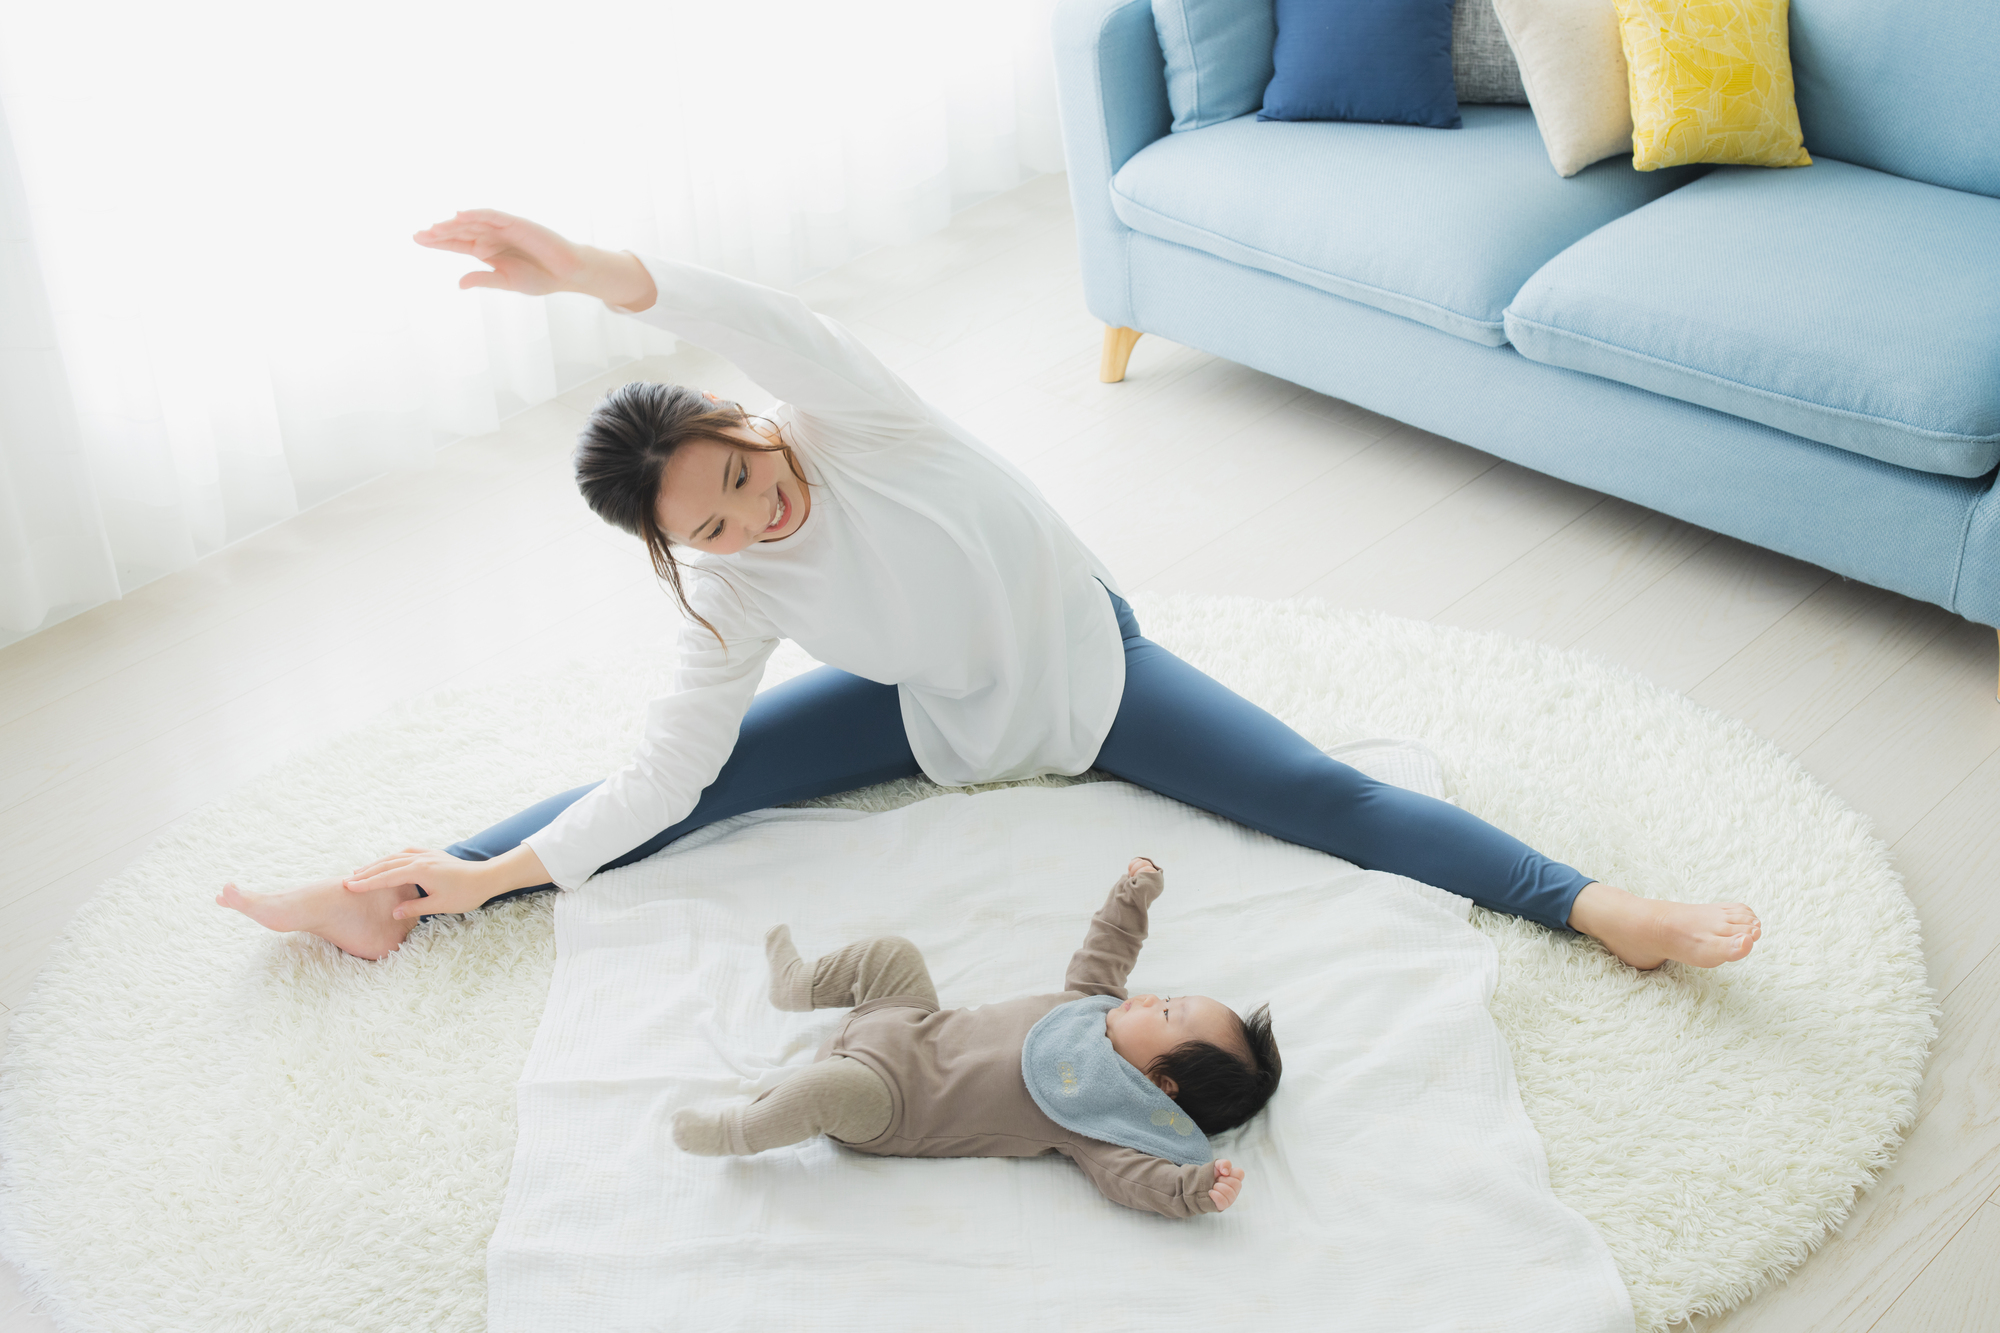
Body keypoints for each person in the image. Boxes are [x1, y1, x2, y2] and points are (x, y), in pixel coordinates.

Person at [217, 209, 1764, 973]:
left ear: (748, 425)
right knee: (688, 790)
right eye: (721, 525)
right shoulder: (730, 592)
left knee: (1316, 794)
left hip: (1088, 670)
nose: (761, 512)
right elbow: (666, 771)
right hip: (928, 708)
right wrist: (496, 876)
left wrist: (591, 274)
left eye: (743, 473)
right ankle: (384, 896)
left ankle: (1596, 908)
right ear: (685, 549)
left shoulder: (854, 415)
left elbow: (744, 311)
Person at [671, 858, 1271, 1219]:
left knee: (823, 1091)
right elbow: (1107, 949)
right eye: (1169, 996)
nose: (1150, 997)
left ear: (1161, 1083)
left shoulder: (1096, 1115)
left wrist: (1191, 1190)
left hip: (890, 1097)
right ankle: (798, 985)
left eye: (1165, 1013)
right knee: (892, 953)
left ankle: (735, 1130)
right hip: (906, 1023)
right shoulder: (1092, 1004)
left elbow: (1133, 1179)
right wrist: (1132, 894)